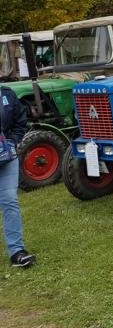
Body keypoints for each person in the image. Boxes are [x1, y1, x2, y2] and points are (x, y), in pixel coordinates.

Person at [0, 85, 35, 268]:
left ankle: (17, 252)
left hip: (6, 158)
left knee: (10, 201)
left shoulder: (6, 94)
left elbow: (20, 121)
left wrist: (11, 142)